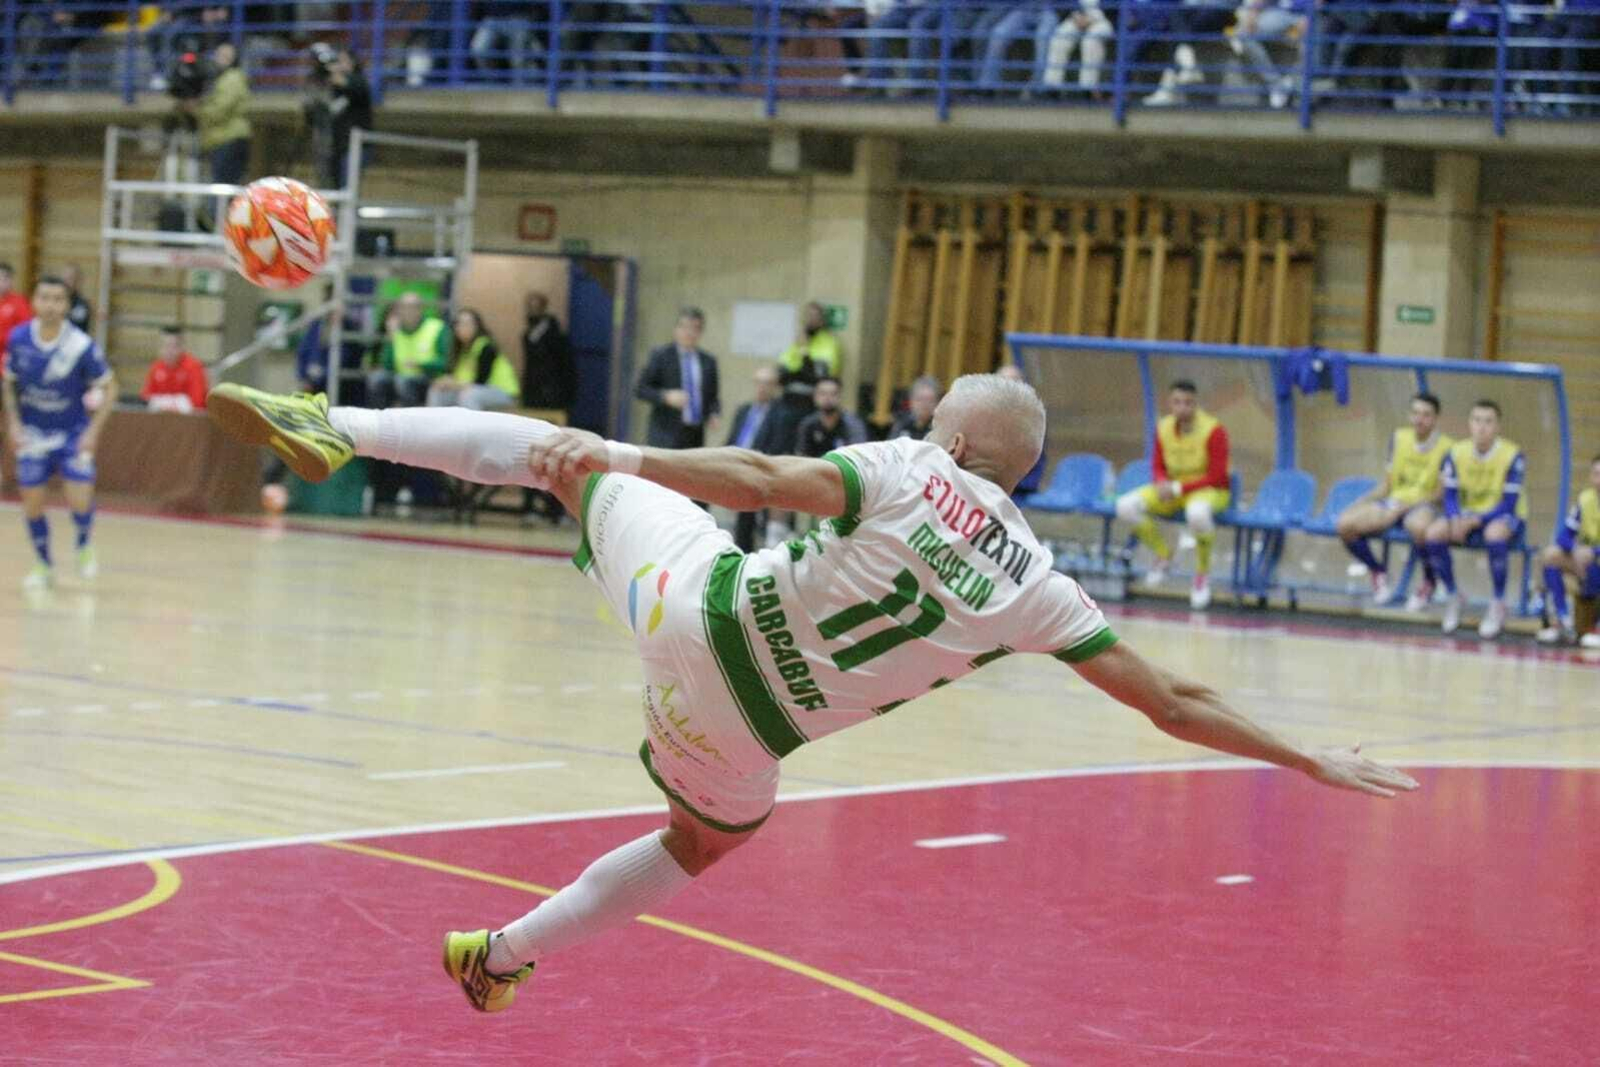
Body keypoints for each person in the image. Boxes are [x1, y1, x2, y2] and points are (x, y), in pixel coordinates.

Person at [203, 374, 1419, 1016]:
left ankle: (340, 425)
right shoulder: (1037, 584)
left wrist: (620, 460)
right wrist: (1307, 755)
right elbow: (1170, 700)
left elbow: (761, 475)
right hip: (740, 732)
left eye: (934, 415)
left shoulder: (904, 467)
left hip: (697, 604)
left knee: (554, 454)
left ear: (958, 439)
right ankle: (501, 954)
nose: (920, 422)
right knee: (703, 838)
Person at [2, 276, 115, 590]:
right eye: (44, 297)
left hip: (72, 435)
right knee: (32, 503)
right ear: (34, 302)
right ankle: (42, 563)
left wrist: (93, 430)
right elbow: (9, 382)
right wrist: (12, 421)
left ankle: (83, 543)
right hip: (33, 434)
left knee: (80, 499)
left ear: (67, 305)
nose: (50, 305)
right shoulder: (18, 338)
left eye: (57, 299)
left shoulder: (80, 346)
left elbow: (110, 388)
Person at [1115, 380, 1230, 610]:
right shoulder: (1163, 427)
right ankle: (1163, 555)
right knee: (1125, 506)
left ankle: (1202, 574)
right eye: (1177, 402)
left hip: (1209, 491)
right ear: (1169, 404)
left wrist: (1177, 489)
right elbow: (1157, 464)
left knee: (1197, 514)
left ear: (1196, 404)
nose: (1182, 408)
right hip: (1173, 490)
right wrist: (1160, 482)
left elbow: (1217, 476)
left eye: (1188, 403)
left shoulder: (1214, 430)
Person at [1333, 392, 1451, 605]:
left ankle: (1429, 581)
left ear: (1435, 419)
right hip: (1393, 502)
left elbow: (1439, 495)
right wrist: (1362, 502)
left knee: (1418, 525)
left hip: (1425, 505)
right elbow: (1388, 485)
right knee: (1345, 524)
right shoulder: (1398, 438)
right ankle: (1378, 571)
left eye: (1426, 415)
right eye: (1415, 413)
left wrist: (1405, 507)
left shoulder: (1447, 447)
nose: (1419, 419)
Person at [1422, 399, 1526, 639]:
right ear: (1469, 423)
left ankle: (1498, 601)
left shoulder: (1512, 455)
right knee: (1433, 533)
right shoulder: (1456, 453)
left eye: (1488, 421)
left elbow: (1509, 503)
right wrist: (1455, 517)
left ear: (1498, 426)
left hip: (1504, 515)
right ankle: (1452, 595)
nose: (1481, 427)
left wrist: (1475, 521)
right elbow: (1449, 496)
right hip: (1468, 514)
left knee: (1494, 535)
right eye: (1477, 420)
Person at [1536, 454, 1600, 648]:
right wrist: (1576, 551)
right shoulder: (1586, 500)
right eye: (1597, 474)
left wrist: (1594, 552)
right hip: (1588, 564)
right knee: (1550, 556)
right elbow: (1563, 536)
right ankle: (1563, 620)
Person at [635, 307, 720, 449]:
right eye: (684, 327)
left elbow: (713, 397)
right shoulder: (661, 355)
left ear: (700, 332)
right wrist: (665, 396)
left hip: (695, 435)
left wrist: (714, 413)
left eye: (695, 328)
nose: (689, 333)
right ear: (676, 329)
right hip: (665, 433)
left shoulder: (708, 361)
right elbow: (640, 389)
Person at [725, 364, 785, 552]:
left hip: (760, 469)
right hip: (735, 464)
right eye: (759, 382)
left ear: (775, 387)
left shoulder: (781, 415)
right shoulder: (744, 410)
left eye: (767, 383)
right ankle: (739, 550)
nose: (762, 387)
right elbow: (731, 439)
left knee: (756, 518)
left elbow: (777, 448)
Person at [304, 44, 373, 190]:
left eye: (341, 61)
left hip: (355, 147)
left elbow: (354, 87)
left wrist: (334, 73)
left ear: (352, 62)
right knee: (333, 187)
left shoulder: (358, 80)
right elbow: (316, 112)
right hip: (337, 147)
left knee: (347, 189)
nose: (337, 65)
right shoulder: (334, 87)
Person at [184, 41, 252, 186]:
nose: (220, 59)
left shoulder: (233, 78)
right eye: (219, 55)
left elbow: (219, 111)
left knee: (221, 188)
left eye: (226, 56)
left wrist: (195, 109)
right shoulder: (219, 80)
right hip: (219, 139)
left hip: (229, 139)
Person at [366, 292, 449, 409]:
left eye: (412, 307)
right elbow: (387, 365)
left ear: (421, 309)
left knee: (403, 381)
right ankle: (379, 420)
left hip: (428, 377)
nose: (408, 311)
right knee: (377, 378)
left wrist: (420, 365)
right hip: (401, 376)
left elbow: (445, 362)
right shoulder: (395, 329)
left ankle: (410, 421)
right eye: (403, 307)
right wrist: (391, 337)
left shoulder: (437, 327)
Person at [775, 301, 842, 444]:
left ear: (822, 320)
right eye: (808, 316)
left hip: (811, 404)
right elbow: (782, 375)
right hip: (788, 402)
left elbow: (819, 377)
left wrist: (804, 353)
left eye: (815, 316)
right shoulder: (797, 341)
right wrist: (802, 369)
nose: (810, 320)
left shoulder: (828, 343)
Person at [427, 308, 520, 412]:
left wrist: (454, 384)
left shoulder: (486, 347)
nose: (462, 327)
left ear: (477, 326)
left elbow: (481, 381)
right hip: (471, 390)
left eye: (467, 323)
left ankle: (472, 428)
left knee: (469, 395)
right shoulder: (460, 350)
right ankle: (438, 426)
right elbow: (455, 376)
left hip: (502, 392)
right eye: (459, 324)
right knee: (437, 390)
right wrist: (444, 381)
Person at [1042, 0, 1114, 96]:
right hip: (1077, 16)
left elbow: (1115, 5)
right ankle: (1052, 87)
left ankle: (1088, 88)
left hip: (1103, 19)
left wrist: (1092, 18)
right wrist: (1075, 14)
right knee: (1059, 39)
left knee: (1090, 41)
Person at [519, 292, 575, 413]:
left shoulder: (553, 332)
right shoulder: (529, 333)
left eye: (536, 307)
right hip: (534, 384)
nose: (532, 310)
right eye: (530, 307)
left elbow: (562, 362)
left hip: (551, 385)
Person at [794, 377, 868, 459]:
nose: (827, 398)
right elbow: (801, 454)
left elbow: (857, 457)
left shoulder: (853, 424)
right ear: (814, 396)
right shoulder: (807, 424)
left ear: (840, 397)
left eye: (833, 394)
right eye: (822, 393)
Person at [140, 326, 209, 413]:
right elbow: (145, 399)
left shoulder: (194, 367)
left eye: (173, 346)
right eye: (165, 346)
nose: (169, 351)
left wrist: (164, 403)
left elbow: (198, 403)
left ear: (182, 347)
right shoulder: (156, 367)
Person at [890, 375, 941, 442]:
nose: (924, 405)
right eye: (920, 399)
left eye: (929, 400)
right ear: (911, 401)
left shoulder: (940, 428)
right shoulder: (901, 424)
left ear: (937, 403)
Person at [0, 263, 31, 371]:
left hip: (7, 360)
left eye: (4, 278)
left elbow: (26, 333)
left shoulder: (19, 303)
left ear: (10, 281)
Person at [58, 264, 92, 333]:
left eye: (70, 278)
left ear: (77, 281)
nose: (66, 282)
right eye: (64, 278)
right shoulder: (55, 301)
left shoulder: (82, 305)